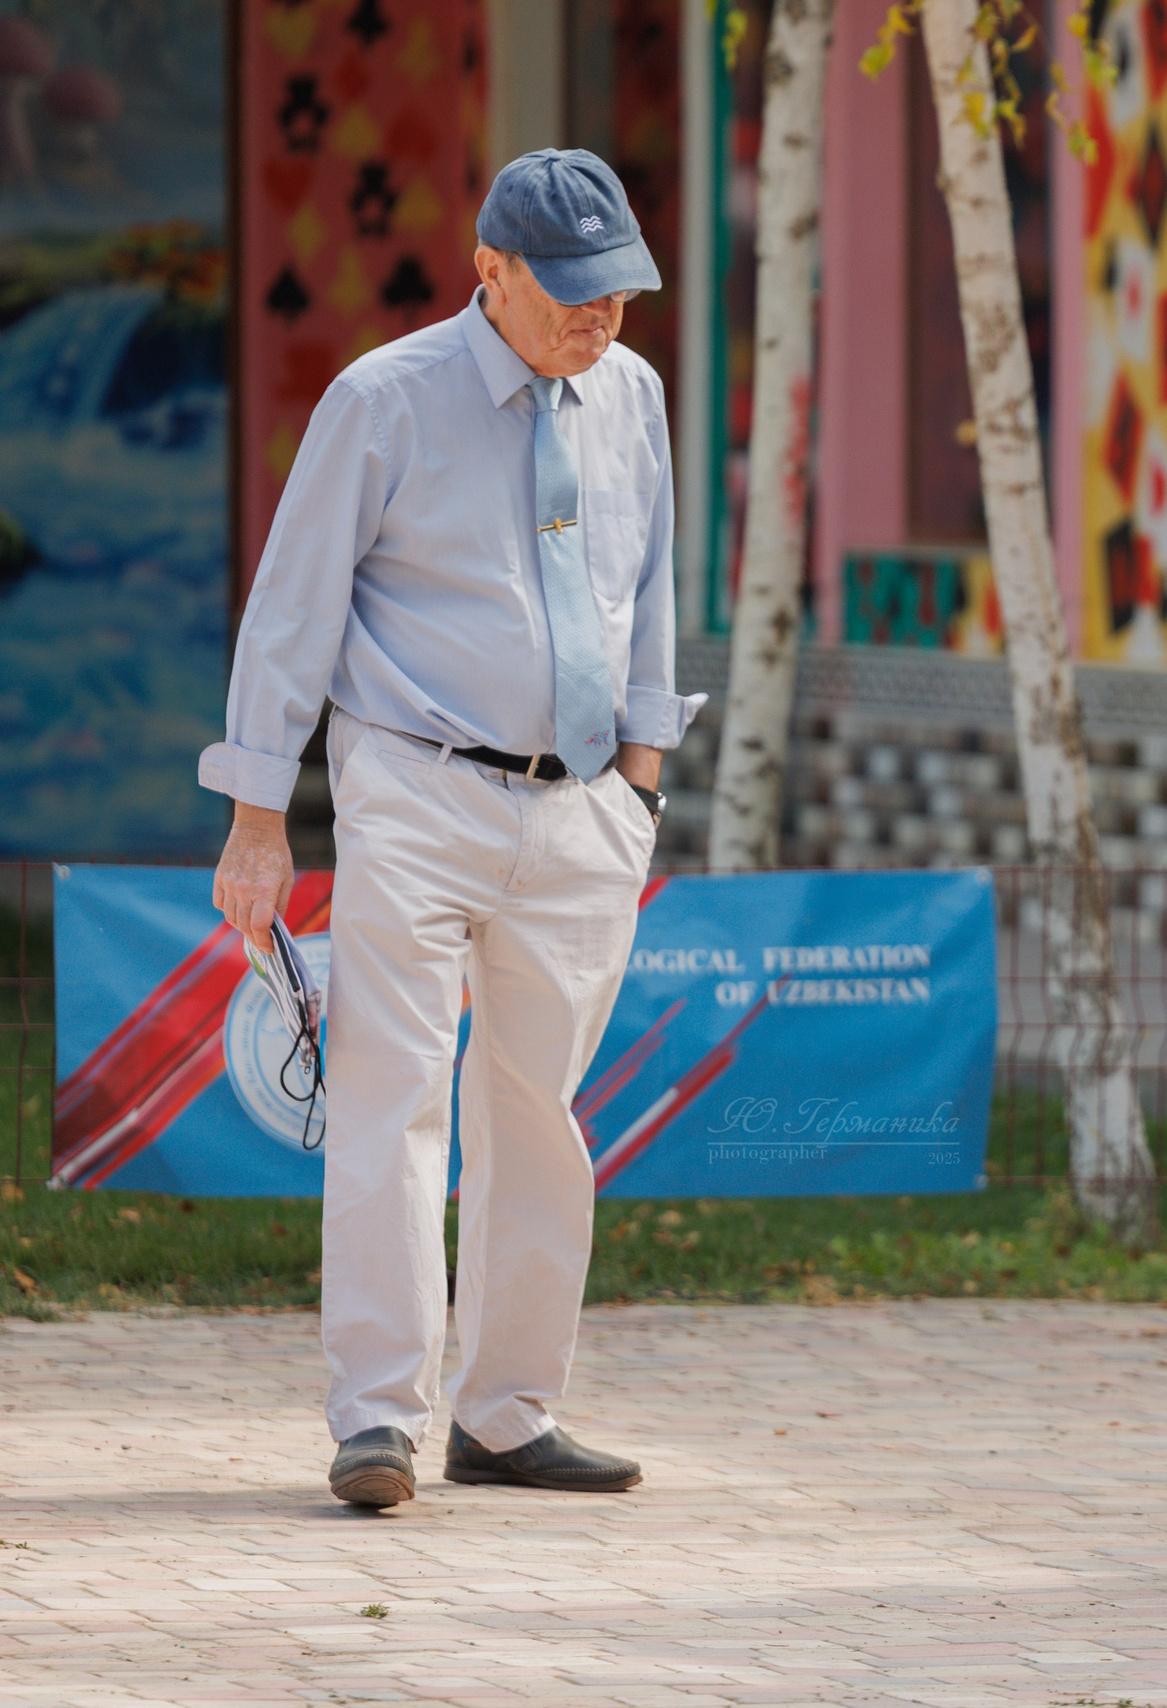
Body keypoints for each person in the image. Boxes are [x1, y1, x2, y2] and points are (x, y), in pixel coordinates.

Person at [202, 149, 701, 1508]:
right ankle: (378, 1422)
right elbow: (293, 608)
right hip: (415, 792)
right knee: (391, 1098)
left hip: (585, 807)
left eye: (622, 292)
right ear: (493, 271)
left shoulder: (634, 397)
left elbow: (648, 589)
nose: (601, 318)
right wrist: (259, 818)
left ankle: (507, 1415)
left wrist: (641, 787)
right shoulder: (383, 402)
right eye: (575, 293)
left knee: (538, 1113)